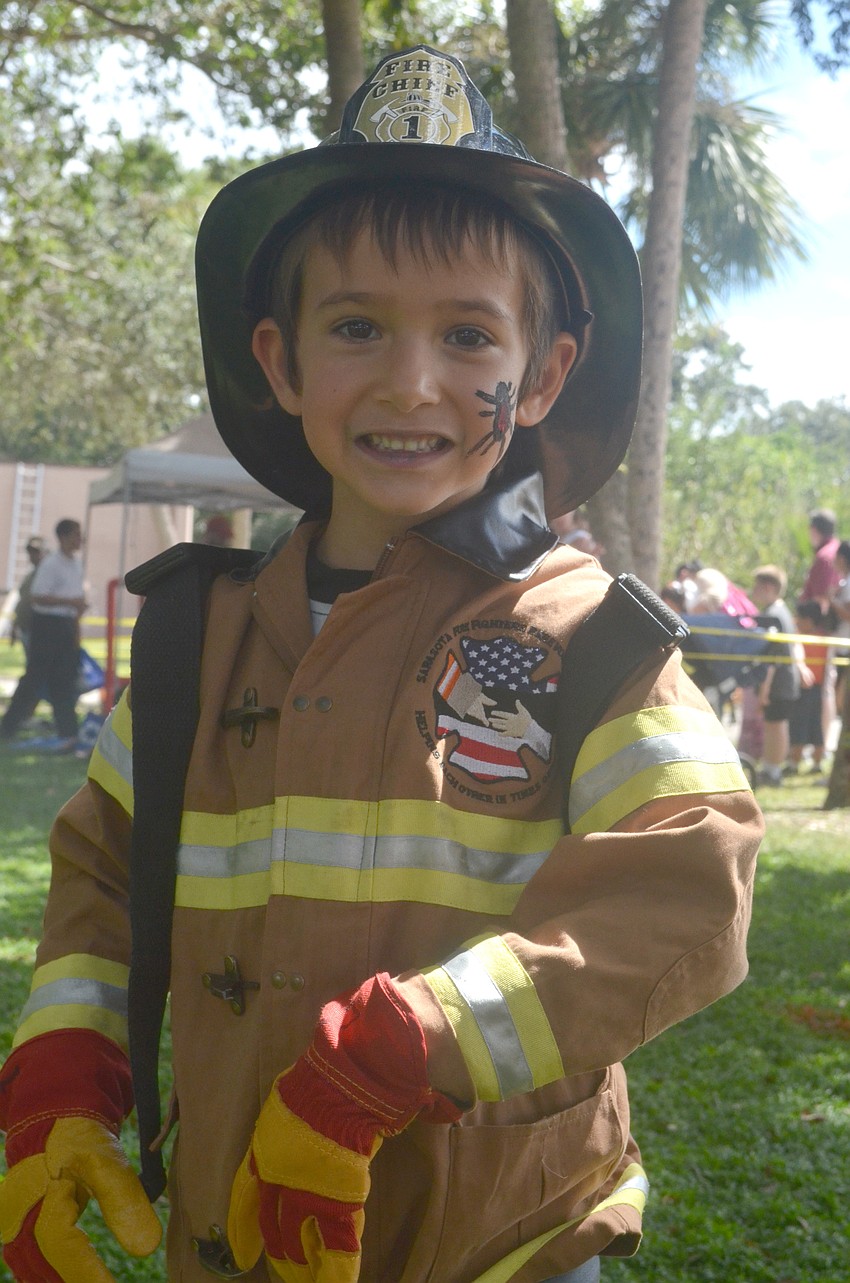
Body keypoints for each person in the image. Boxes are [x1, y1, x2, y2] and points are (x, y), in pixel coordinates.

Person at [0, 47, 763, 1283]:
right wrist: (59, 1079)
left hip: (505, 1244)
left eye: (470, 335)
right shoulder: (196, 643)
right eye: (355, 326)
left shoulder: (590, 639)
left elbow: (689, 883)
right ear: (281, 361)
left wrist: (405, 1047)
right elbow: (99, 885)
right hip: (232, 1237)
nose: (412, 381)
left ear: (546, 374)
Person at [0, 519, 87, 750]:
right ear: (63, 537)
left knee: (64, 679)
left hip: (66, 624)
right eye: (75, 535)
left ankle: (68, 731)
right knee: (34, 677)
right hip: (47, 625)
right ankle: (8, 726)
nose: (80, 540)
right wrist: (70, 602)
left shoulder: (76, 565)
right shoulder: (51, 564)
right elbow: (38, 596)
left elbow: (76, 602)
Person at [749, 565, 804, 786]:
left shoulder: (772, 616)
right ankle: (771, 767)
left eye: (758, 586)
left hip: (778, 683)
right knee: (774, 724)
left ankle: (773, 770)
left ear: (769, 587)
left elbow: (771, 659)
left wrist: (764, 691)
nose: (754, 590)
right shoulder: (782, 612)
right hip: (783, 681)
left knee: (776, 725)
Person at [787, 599, 830, 775]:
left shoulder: (802, 638)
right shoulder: (826, 637)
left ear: (809, 620)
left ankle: (794, 763)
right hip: (819, 689)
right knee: (816, 727)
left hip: (805, 690)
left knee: (800, 726)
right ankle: (816, 763)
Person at [9, 535, 46, 659]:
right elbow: (22, 601)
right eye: (30, 552)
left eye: (36, 552)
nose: (32, 556)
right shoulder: (30, 576)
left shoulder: (47, 575)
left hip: (39, 629)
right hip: (26, 627)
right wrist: (15, 626)